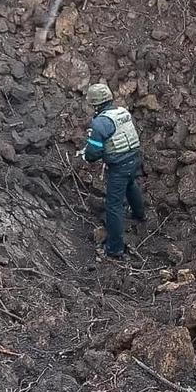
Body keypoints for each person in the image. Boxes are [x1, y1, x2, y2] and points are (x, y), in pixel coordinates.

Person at [78, 82, 145, 260]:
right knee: (131, 185)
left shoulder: (100, 123)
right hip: (134, 159)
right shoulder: (122, 112)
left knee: (114, 205)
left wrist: (86, 155)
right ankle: (140, 215)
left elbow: (92, 153)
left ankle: (115, 248)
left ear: (95, 104)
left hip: (119, 166)